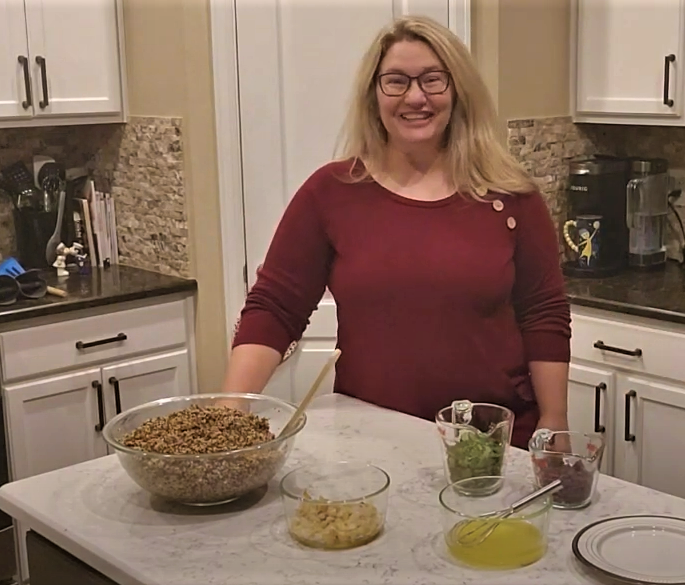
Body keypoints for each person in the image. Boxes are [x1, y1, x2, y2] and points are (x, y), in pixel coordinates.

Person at [221, 15, 571, 450]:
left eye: (433, 80)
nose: (416, 96)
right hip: (369, 441)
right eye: (396, 81)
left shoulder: (512, 197)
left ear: (457, 90)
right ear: (374, 94)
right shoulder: (331, 192)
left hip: (489, 442)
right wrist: (230, 412)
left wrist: (554, 420)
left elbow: (543, 313)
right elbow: (276, 307)